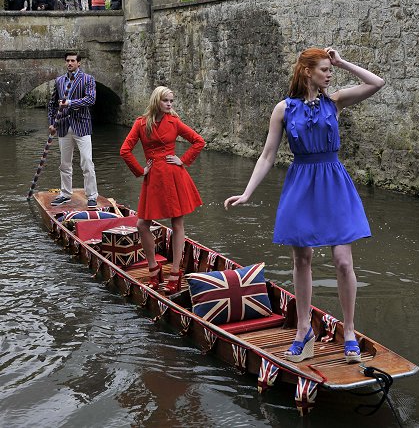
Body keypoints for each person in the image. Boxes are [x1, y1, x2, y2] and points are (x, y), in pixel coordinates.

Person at [224, 47, 385, 363]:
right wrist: (247, 192)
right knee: (302, 259)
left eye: (331, 69)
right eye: (325, 69)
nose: (329, 73)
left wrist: (342, 62)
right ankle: (303, 330)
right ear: (307, 71)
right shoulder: (283, 110)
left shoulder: (335, 102)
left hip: (334, 181)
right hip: (301, 182)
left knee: (342, 260)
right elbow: (268, 155)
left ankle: (349, 331)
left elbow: (376, 82)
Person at [120, 86, 205, 292]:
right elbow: (125, 150)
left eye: (172, 101)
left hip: (174, 175)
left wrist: (182, 160)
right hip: (154, 178)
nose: (169, 104)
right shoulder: (141, 123)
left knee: (177, 223)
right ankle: (153, 268)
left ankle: (175, 272)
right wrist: (141, 171)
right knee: (142, 224)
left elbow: (198, 141)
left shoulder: (174, 122)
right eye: (166, 101)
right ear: (156, 101)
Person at [49, 51, 99, 210]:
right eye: (67, 61)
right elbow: (52, 105)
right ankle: (65, 194)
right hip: (63, 126)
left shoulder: (88, 79)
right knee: (64, 163)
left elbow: (90, 99)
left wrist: (70, 102)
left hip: (82, 126)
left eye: (72, 61)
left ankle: (91, 196)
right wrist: (52, 123)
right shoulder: (59, 81)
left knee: (87, 162)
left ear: (79, 63)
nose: (70, 63)